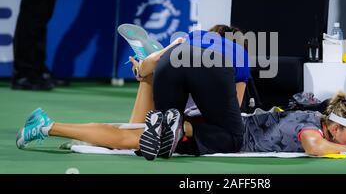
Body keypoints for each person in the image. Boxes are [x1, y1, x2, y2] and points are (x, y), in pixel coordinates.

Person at [16, 25, 251, 160]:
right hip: (213, 70)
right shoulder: (239, 53)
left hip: (169, 61)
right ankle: (178, 125)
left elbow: (154, 61)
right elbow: (235, 110)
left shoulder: (191, 37)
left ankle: (46, 125)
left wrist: (144, 73)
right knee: (233, 136)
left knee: (139, 131)